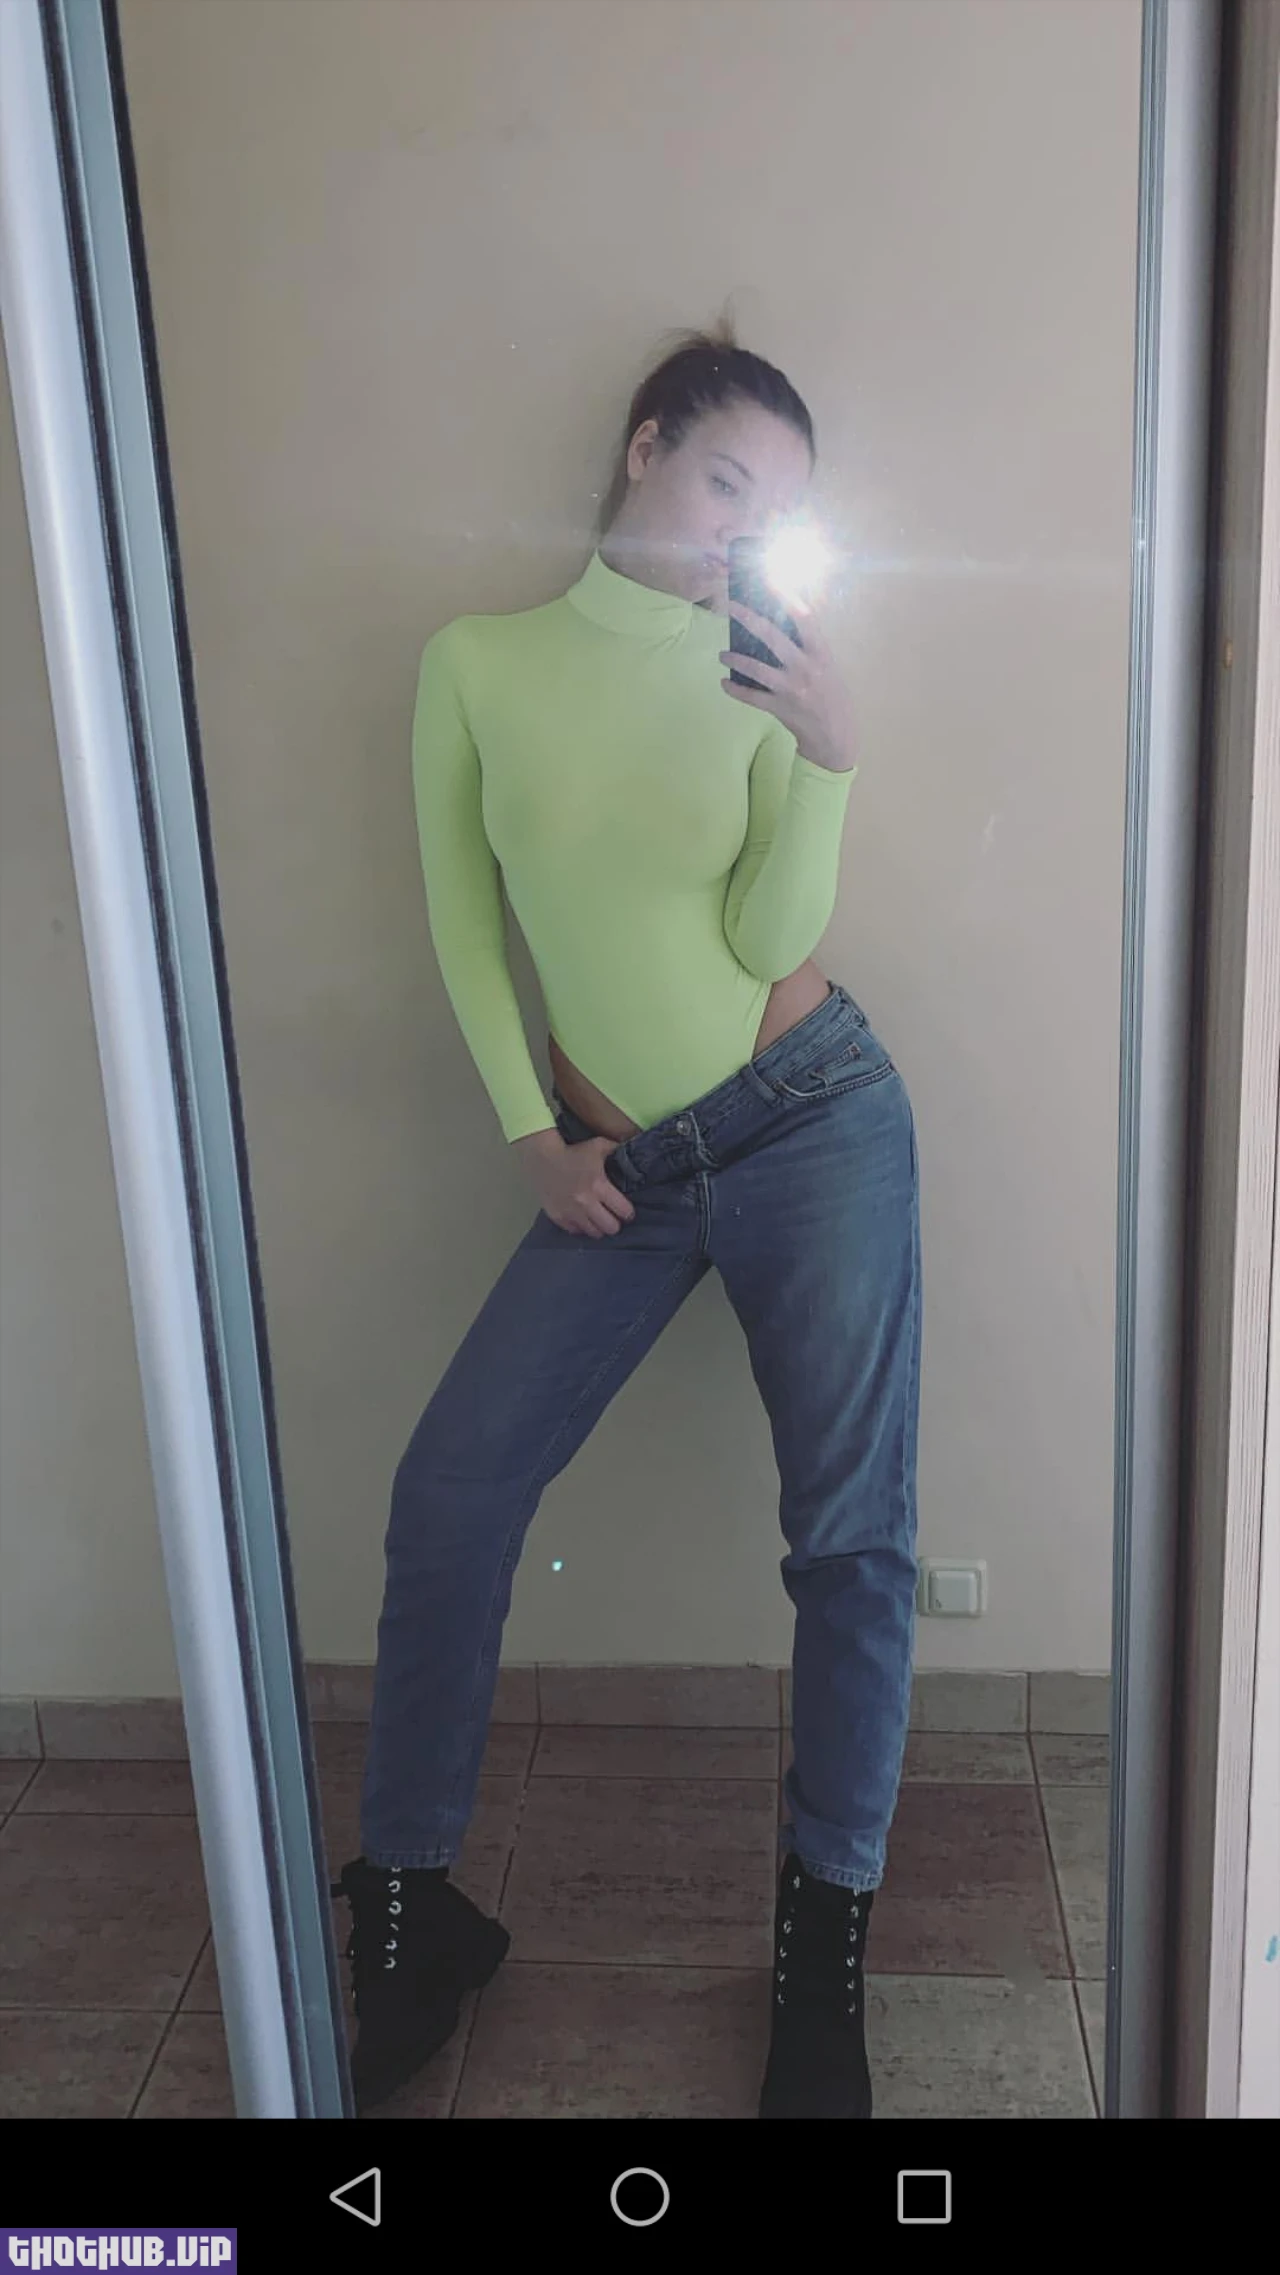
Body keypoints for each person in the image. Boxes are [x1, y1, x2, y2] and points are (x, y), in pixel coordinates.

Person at [331, 323, 923, 2120]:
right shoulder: (477, 663)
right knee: (450, 1494)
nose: (739, 525)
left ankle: (821, 1944)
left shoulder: (762, 674)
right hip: (618, 1168)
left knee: (850, 1545)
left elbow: (763, 938)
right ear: (647, 446)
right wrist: (530, 1136)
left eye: (776, 509)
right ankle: (412, 1910)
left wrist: (831, 756)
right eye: (725, 477)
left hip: (813, 1119)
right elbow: (462, 914)